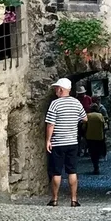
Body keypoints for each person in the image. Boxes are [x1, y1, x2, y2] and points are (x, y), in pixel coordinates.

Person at [45, 79, 86, 208]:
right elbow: (85, 118)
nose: (55, 90)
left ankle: (55, 199)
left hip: (58, 143)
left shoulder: (55, 104)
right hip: (72, 142)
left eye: (56, 88)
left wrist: (48, 140)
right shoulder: (76, 103)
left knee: (56, 172)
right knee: (72, 171)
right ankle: (74, 200)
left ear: (61, 89)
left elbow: (50, 124)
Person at [83, 105, 108, 175]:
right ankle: (98, 163)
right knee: (97, 151)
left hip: (90, 137)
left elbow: (84, 127)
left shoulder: (88, 116)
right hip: (99, 136)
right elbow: (104, 126)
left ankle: (95, 166)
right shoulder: (100, 116)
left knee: (92, 152)